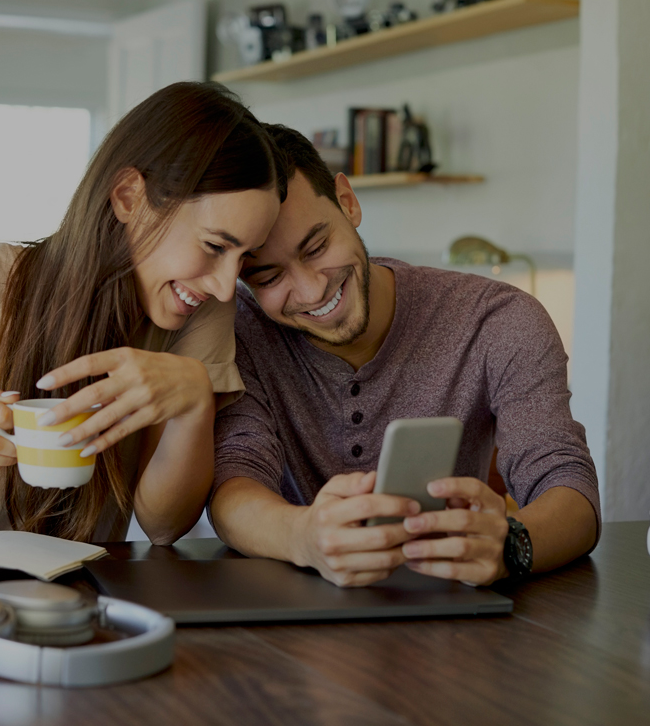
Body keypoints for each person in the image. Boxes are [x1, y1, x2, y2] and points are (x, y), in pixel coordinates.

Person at [0, 82, 282, 544]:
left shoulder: (199, 311)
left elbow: (164, 526)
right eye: (214, 245)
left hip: (82, 599)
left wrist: (192, 405)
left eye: (244, 258)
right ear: (129, 197)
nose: (223, 284)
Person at [211, 124, 600, 587]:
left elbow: (570, 488)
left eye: (317, 246)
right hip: (288, 623)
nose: (312, 289)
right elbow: (233, 484)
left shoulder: (498, 320)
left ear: (348, 202)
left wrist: (511, 544)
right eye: (269, 277)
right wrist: (303, 536)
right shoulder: (240, 336)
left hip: (450, 620)